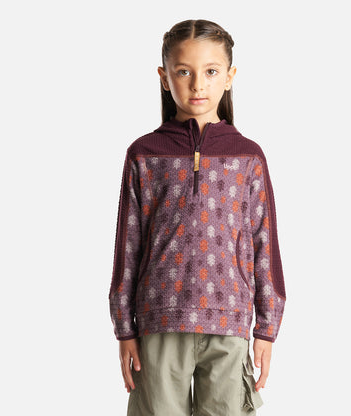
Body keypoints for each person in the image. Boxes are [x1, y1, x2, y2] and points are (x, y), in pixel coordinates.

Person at [108, 19, 286, 416]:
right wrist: (124, 328)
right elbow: (128, 246)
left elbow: (264, 244)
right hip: (159, 321)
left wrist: (267, 328)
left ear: (230, 76)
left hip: (230, 324)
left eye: (211, 71)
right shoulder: (144, 154)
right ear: (164, 77)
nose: (198, 85)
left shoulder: (248, 156)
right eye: (184, 72)